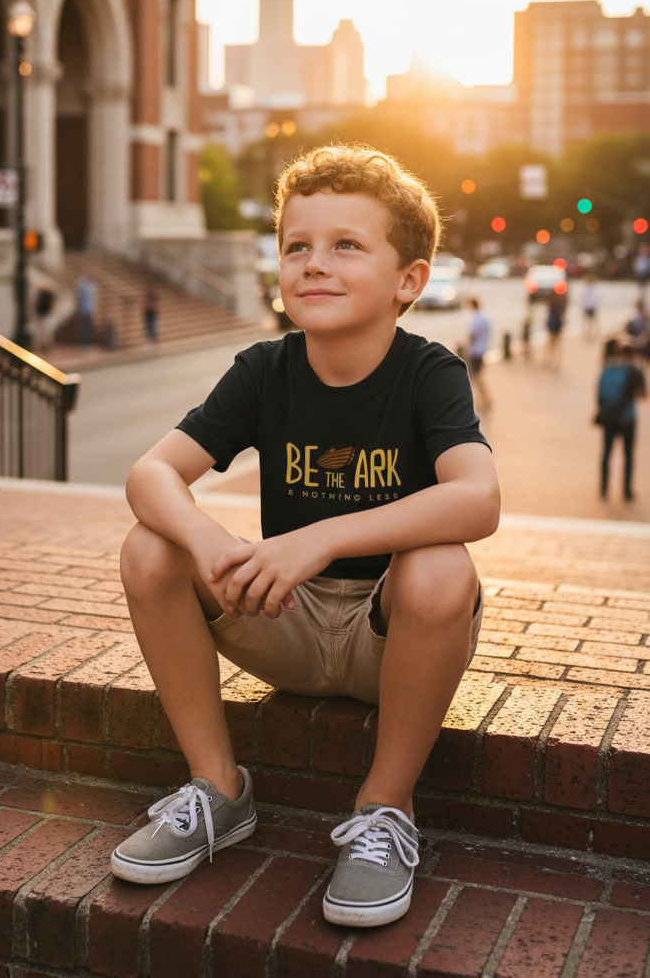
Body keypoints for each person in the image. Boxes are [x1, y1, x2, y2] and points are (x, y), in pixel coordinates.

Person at [111, 144, 499, 930]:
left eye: (346, 245)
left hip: (392, 636)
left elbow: (478, 498)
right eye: (297, 246)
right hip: (281, 618)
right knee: (151, 545)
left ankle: (386, 811)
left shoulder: (430, 373)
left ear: (409, 282)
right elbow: (150, 474)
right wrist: (208, 539)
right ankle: (219, 791)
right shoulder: (264, 369)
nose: (314, 264)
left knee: (438, 569)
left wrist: (319, 536)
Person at [596, 339, 646, 502]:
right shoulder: (635, 371)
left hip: (608, 417)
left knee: (606, 453)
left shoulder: (608, 366)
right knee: (628, 455)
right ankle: (626, 491)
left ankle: (603, 488)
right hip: (627, 418)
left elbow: (599, 392)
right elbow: (643, 394)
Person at [465, 297, 492, 412]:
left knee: (475, 378)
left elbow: (472, 336)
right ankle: (484, 401)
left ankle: (485, 401)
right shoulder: (484, 317)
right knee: (478, 378)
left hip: (475, 352)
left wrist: (466, 350)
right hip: (482, 350)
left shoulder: (476, 319)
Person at [544, 291, 567, 369]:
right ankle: (552, 360)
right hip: (555, 323)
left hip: (555, 323)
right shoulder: (559, 303)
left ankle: (552, 360)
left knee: (553, 342)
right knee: (553, 342)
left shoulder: (557, 303)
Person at [76, 275, 98, 347]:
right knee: (84, 329)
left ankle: (87, 344)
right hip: (84, 311)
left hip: (87, 311)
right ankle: (84, 344)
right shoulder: (83, 288)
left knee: (87, 328)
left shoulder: (88, 288)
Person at [582, 275, 599, 340]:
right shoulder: (588, 288)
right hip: (588, 306)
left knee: (592, 320)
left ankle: (593, 331)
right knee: (588, 320)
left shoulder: (592, 288)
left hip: (591, 306)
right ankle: (589, 331)